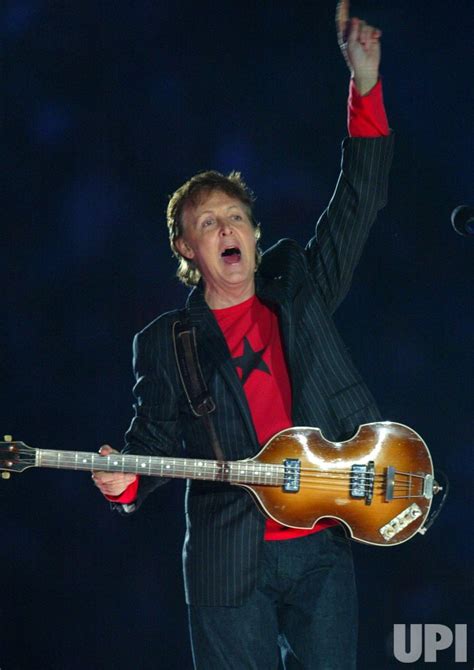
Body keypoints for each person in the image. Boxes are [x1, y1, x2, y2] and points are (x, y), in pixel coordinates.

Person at [93, 1, 393, 668]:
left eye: (237, 217)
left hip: (323, 549)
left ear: (256, 235)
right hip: (231, 564)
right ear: (186, 248)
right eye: (209, 223)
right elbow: (150, 443)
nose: (228, 228)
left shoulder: (300, 287)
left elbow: (357, 205)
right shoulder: (165, 340)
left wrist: (365, 85)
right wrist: (126, 485)